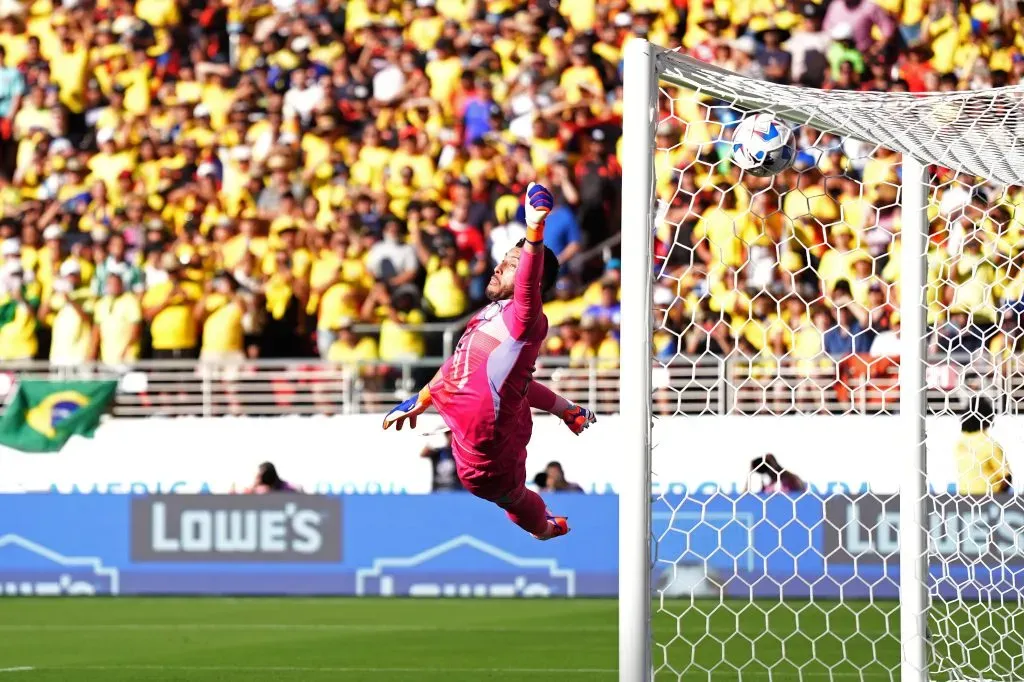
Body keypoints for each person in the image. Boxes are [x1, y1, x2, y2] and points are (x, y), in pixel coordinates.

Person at [382, 184, 595, 540]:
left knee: (510, 496)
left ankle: (541, 527)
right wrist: (421, 399)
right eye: (503, 260)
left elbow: (527, 284)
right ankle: (567, 413)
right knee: (511, 384)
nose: (499, 267)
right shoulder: (489, 314)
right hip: (489, 423)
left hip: (488, 456)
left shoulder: (526, 317)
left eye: (512, 264)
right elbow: (460, 365)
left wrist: (534, 231)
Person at [954, 396, 1012, 496]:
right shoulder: (990, 445)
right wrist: (999, 498)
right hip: (988, 499)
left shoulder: (960, 442)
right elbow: (1006, 477)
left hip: (963, 499)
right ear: (988, 418)